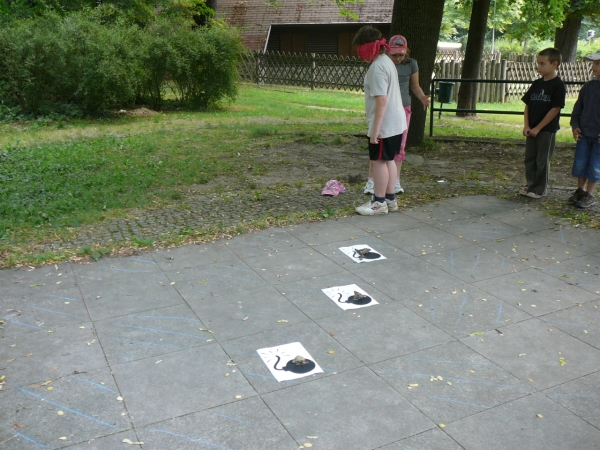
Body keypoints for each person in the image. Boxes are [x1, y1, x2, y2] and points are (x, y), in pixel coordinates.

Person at [364, 35, 430, 195]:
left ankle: (394, 182)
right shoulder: (384, 64)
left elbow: (415, 86)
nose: (398, 58)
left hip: (402, 109)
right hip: (386, 109)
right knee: (379, 148)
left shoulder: (411, 64)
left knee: (398, 148)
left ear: (406, 52)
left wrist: (422, 97)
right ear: (388, 51)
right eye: (395, 55)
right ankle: (372, 181)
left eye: (401, 55)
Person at [353, 26, 407, 215]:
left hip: (384, 124)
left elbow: (381, 100)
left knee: (378, 161)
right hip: (396, 123)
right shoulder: (387, 61)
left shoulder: (377, 68)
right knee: (389, 159)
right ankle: (390, 199)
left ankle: (379, 203)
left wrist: (375, 130)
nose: (360, 55)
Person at [520, 47, 566, 199]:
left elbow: (555, 109)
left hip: (546, 130)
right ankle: (530, 184)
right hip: (532, 128)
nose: (538, 67)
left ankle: (540, 188)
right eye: (538, 63)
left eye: (542, 64)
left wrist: (539, 128)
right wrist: (527, 126)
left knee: (542, 160)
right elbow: (527, 105)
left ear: (554, 64)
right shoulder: (536, 84)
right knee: (530, 158)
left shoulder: (558, 85)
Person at [568, 50, 600, 209]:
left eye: (598, 63)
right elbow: (577, 109)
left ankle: (590, 194)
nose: (593, 66)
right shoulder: (588, 87)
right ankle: (580, 190)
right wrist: (575, 126)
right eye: (593, 63)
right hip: (584, 134)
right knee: (580, 163)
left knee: (595, 165)